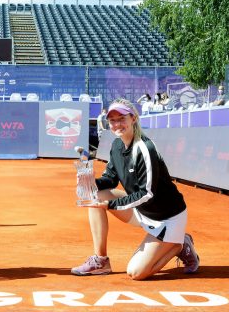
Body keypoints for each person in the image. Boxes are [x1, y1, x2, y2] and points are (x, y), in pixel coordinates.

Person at [71, 98, 199, 280]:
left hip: (167, 217)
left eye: (122, 118)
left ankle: (179, 244)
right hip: (142, 211)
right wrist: (90, 182)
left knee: (136, 273)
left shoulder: (145, 149)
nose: (117, 124)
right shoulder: (116, 145)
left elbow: (147, 193)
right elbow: (111, 179)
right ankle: (101, 261)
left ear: (133, 119)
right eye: (113, 120)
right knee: (94, 195)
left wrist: (111, 205)